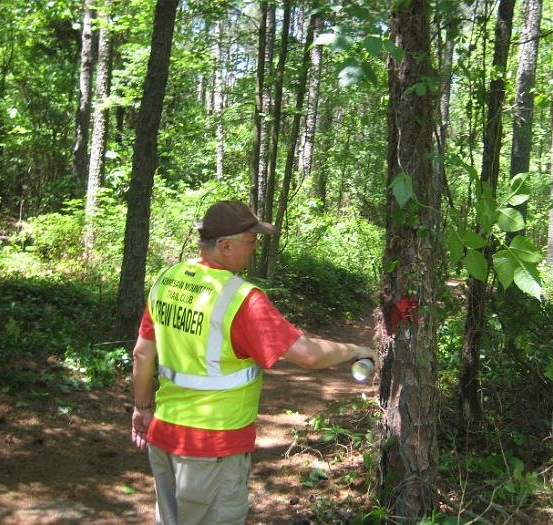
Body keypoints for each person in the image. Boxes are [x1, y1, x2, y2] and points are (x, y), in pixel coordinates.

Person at [131, 200, 375, 525]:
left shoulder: (168, 280)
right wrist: (355, 350)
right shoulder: (240, 298)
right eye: (251, 239)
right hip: (212, 449)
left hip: (164, 440)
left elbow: (142, 354)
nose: (254, 246)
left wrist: (142, 409)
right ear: (225, 246)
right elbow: (307, 354)